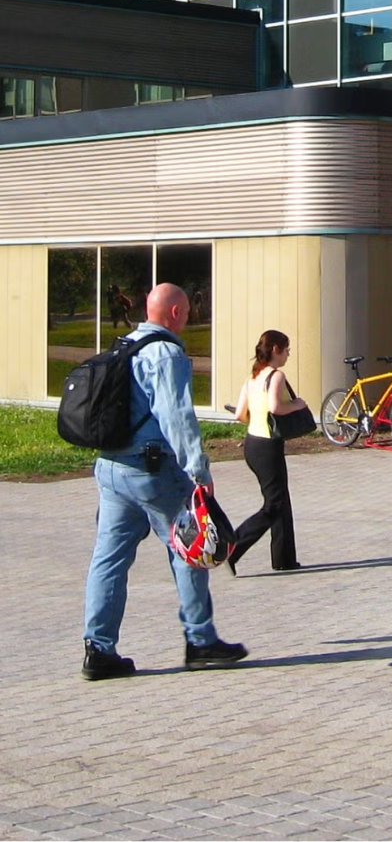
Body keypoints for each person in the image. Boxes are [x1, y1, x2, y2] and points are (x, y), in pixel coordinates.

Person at [81, 282, 247, 679]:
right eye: (188, 313)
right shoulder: (165, 354)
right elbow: (177, 417)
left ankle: (98, 649)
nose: (189, 320)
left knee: (108, 560)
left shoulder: (124, 344)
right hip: (153, 472)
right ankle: (201, 641)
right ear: (174, 313)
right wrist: (198, 471)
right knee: (190, 548)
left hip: (111, 468)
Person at [227, 330, 308, 574]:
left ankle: (283, 558)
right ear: (275, 350)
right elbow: (275, 406)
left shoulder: (252, 377)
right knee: (273, 505)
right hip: (267, 445)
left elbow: (240, 414)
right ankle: (233, 547)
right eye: (286, 349)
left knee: (281, 500)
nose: (288, 354)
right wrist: (297, 404)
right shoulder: (276, 375)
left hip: (252, 443)